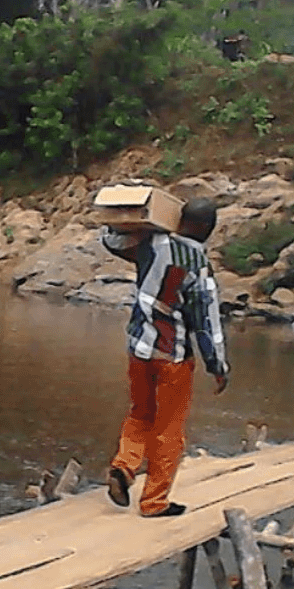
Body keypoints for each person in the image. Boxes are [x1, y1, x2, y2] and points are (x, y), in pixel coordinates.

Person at [102, 198, 230, 518]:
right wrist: (218, 364)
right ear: (204, 228)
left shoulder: (150, 243)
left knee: (139, 414)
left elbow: (111, 240)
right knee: (169, 428)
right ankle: (154, 502)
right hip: (173, 354)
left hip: (139, 349)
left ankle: (124, 466)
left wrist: (133, 219)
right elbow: (206, 319)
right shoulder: (197, 262)